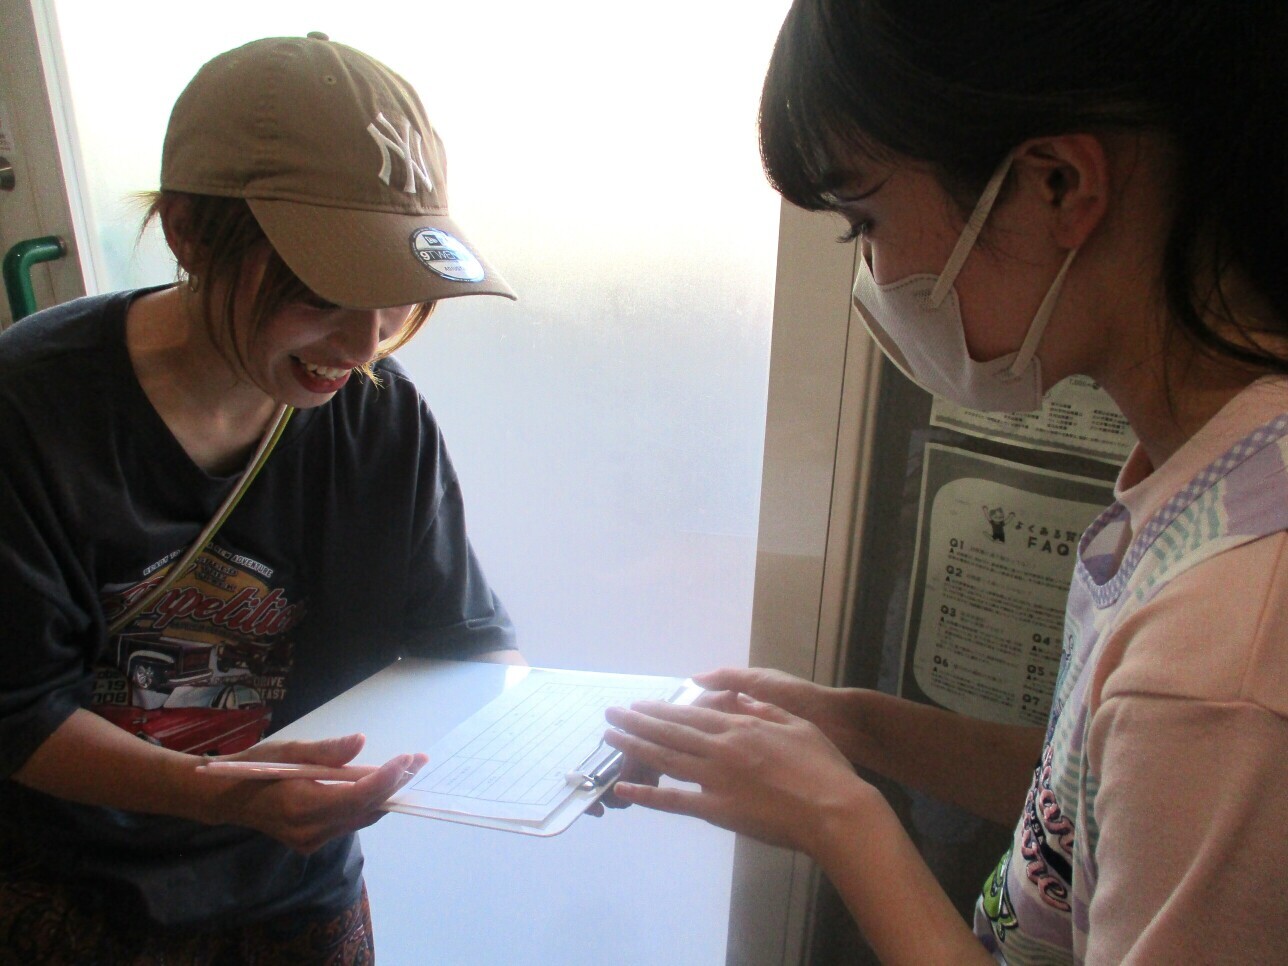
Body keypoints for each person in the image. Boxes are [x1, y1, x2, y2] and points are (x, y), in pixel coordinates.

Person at [604, 1, 1288, 962]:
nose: (874, 274)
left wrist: (841, 821)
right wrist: (848, 723)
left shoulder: (1229, 646)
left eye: (866, 221)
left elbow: (1181, 729)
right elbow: (1098, 796)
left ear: (1057, 185)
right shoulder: (1210, 474)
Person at [0, 34, 523, 962]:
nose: (363, 345)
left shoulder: (380, 415)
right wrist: (221, 793)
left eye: (398, 295)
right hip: (73, 887)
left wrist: (549, 747)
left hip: (297, 879)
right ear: (191, 233)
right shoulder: (28, 411)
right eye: (322, 291)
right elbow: (17, 712)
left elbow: (462, 638)